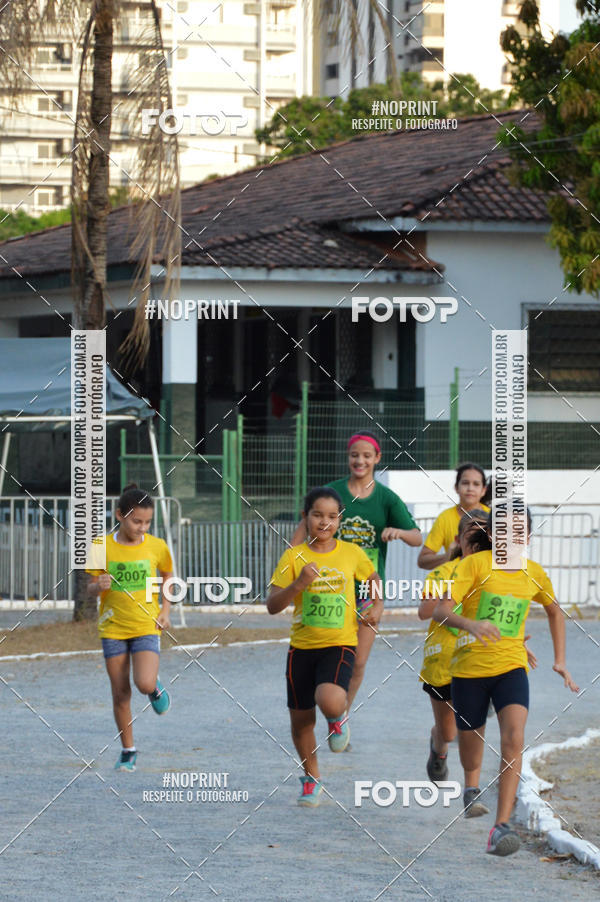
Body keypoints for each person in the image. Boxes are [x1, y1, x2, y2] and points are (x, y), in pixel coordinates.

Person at [432, 508, 579, 856]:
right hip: (469, 669)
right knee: (471, 746)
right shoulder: (474, 565)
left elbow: (555, 611)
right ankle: (471, 786)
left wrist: (560, 660)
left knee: (514, 738)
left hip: (511, 667)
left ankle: (500, 828)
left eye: (518, 531)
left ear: (527, 537)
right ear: (492, 535)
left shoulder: (534, 573)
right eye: (502, 531)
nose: (510, 538)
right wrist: (471, 625)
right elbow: (441, 611)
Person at [291, 431, 421, 714]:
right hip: (329, 587)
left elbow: (417, 537)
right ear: (348, 457)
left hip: (367, 591)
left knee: (358, 661)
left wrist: (398, 532)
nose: (360, 461)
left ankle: (340, 716)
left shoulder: (387, 498)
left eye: (366, 456)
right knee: (321, 653)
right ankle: (319, 703)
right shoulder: (332, 492)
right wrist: (296, 561)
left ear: (377, 458)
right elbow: (300, 532)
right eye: (354, 455)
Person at [268, 486, 382, 806]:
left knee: (329, 699)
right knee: (301, 721)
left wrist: (378, 605)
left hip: (339, 643)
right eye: (317, 515)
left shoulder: (351, 553)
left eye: (332, 516)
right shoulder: (293, 557)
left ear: (340, 520)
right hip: (301, 648)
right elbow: (273, 605)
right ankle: (312, 778)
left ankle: (337, 717)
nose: (324, 522)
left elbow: (372, 578)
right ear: (305, 517)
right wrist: (299, 583)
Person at [87, 484, 173, 772]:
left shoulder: (157, 546)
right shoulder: (101, 546)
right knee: (120, 692)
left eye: (147, 522)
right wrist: (98, 585)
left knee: (144, 683)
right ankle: (128, 750)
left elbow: (168, 576)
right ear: (119, 516)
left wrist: (166, 610)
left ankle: (155, 688)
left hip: (146, 624)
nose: (142, 527)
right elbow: (90, 587)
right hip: (112, 627)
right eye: (137, 521)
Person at [418, 509, 490, 784]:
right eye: (472, 533)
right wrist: (452, 595)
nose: (478, 538)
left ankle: (472, 787)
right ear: (459, 541)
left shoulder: (494, 572)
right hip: (442, 660)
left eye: (484, 532)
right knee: (448, 733)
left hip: (479, 659)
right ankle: (438, 747)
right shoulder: (444, 572)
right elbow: (424, 612)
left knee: (472, 722)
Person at [417, 462, 490, 571]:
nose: (470, 488)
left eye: (476, 484)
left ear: (483, 490)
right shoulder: (445, 518)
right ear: (456, 487)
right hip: (456, 579)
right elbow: (422, 560)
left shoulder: (493, 517)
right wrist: (448, 557)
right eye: (465, 483)